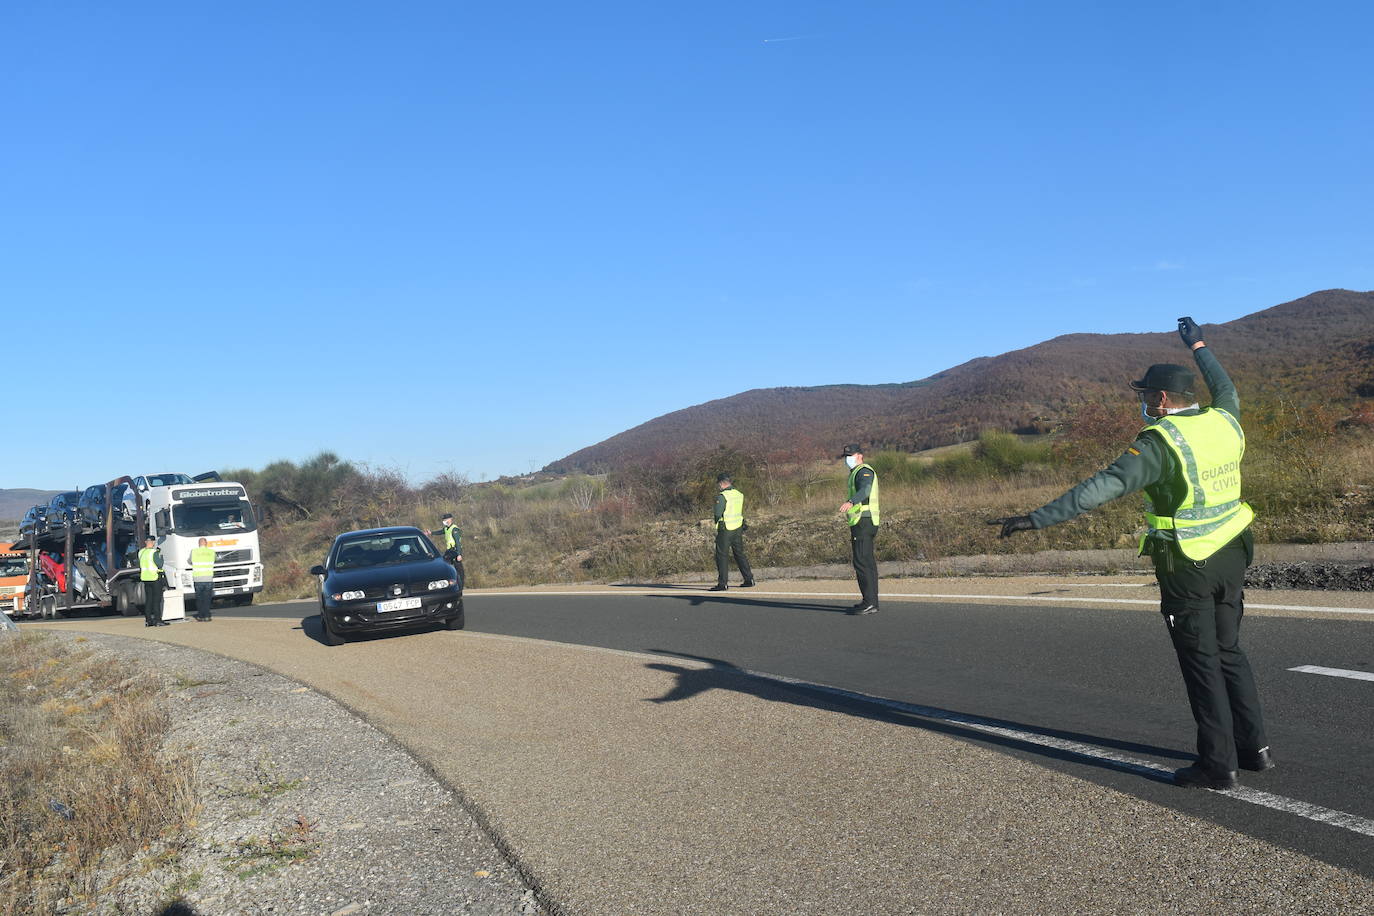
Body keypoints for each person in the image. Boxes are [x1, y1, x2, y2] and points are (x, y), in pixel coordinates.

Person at [990, 317, 1270, 790]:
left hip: (1188, 562)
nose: (1142, 403)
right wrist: (1199, 346)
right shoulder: (1226, 418)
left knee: (1200, 660)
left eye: (1145, 396)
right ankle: (1255, 749)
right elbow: (1225, 385)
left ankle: (1218, 765)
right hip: (1235, 550)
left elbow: (1103, 487)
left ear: (1160, 400)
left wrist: (1034, 518)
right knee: (1229, 651)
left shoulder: (1160, 442)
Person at [839, 444, 881, 615]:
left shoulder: (863, 471)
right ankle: (870, 601)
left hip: (863, 523)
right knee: (867, 562)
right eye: (846, 456)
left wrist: (851, 501)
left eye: (851, 455)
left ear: (860, 455)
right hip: (864, 522)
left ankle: (870, 603)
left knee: (862, 562)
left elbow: (865, 490)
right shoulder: (855, 472)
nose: (847, 458)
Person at [709, 473, 755, 591]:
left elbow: (717, 514)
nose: (718, 486)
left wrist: (717, 524)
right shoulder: (739, 494)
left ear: (721, 483)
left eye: (718, 484)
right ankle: (749, 579)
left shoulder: (722, 496)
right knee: (739, 553)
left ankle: (722, 583)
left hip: (726, 529)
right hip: (738, 527)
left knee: (722, 556)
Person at [427, 513, 464, 590]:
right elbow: (440, 532)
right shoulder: (447, 528)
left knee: (459, 569)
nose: (444, 521)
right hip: (449, 551)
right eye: (443, 520)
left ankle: (460, 586)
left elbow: (457, 542)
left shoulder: (454, 529)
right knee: (445, 565)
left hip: (455, 551)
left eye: (445, 519)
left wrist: (459, 554)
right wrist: (431, 533)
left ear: (450, 519)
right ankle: (448, 584)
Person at [138, 535, 168, 627]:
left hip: (145, 578)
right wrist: (160, 556)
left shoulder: (141, 552)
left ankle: (148, 620)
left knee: (149, 600)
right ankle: (158, 620)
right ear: (153, 542)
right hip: (155, 578)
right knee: (156, 600)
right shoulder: (154, 552)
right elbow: (159, 564)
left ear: (146, 542)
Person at [189, 536, 216, 621]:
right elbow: (215, 560)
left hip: (198, 579)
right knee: (207, 598)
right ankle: (207, 615)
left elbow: (189, 561)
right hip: (208, 578)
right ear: (206, 543)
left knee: (199, 598)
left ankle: (200, 616)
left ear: (199, 544)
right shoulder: (211, 552)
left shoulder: (194, 551)